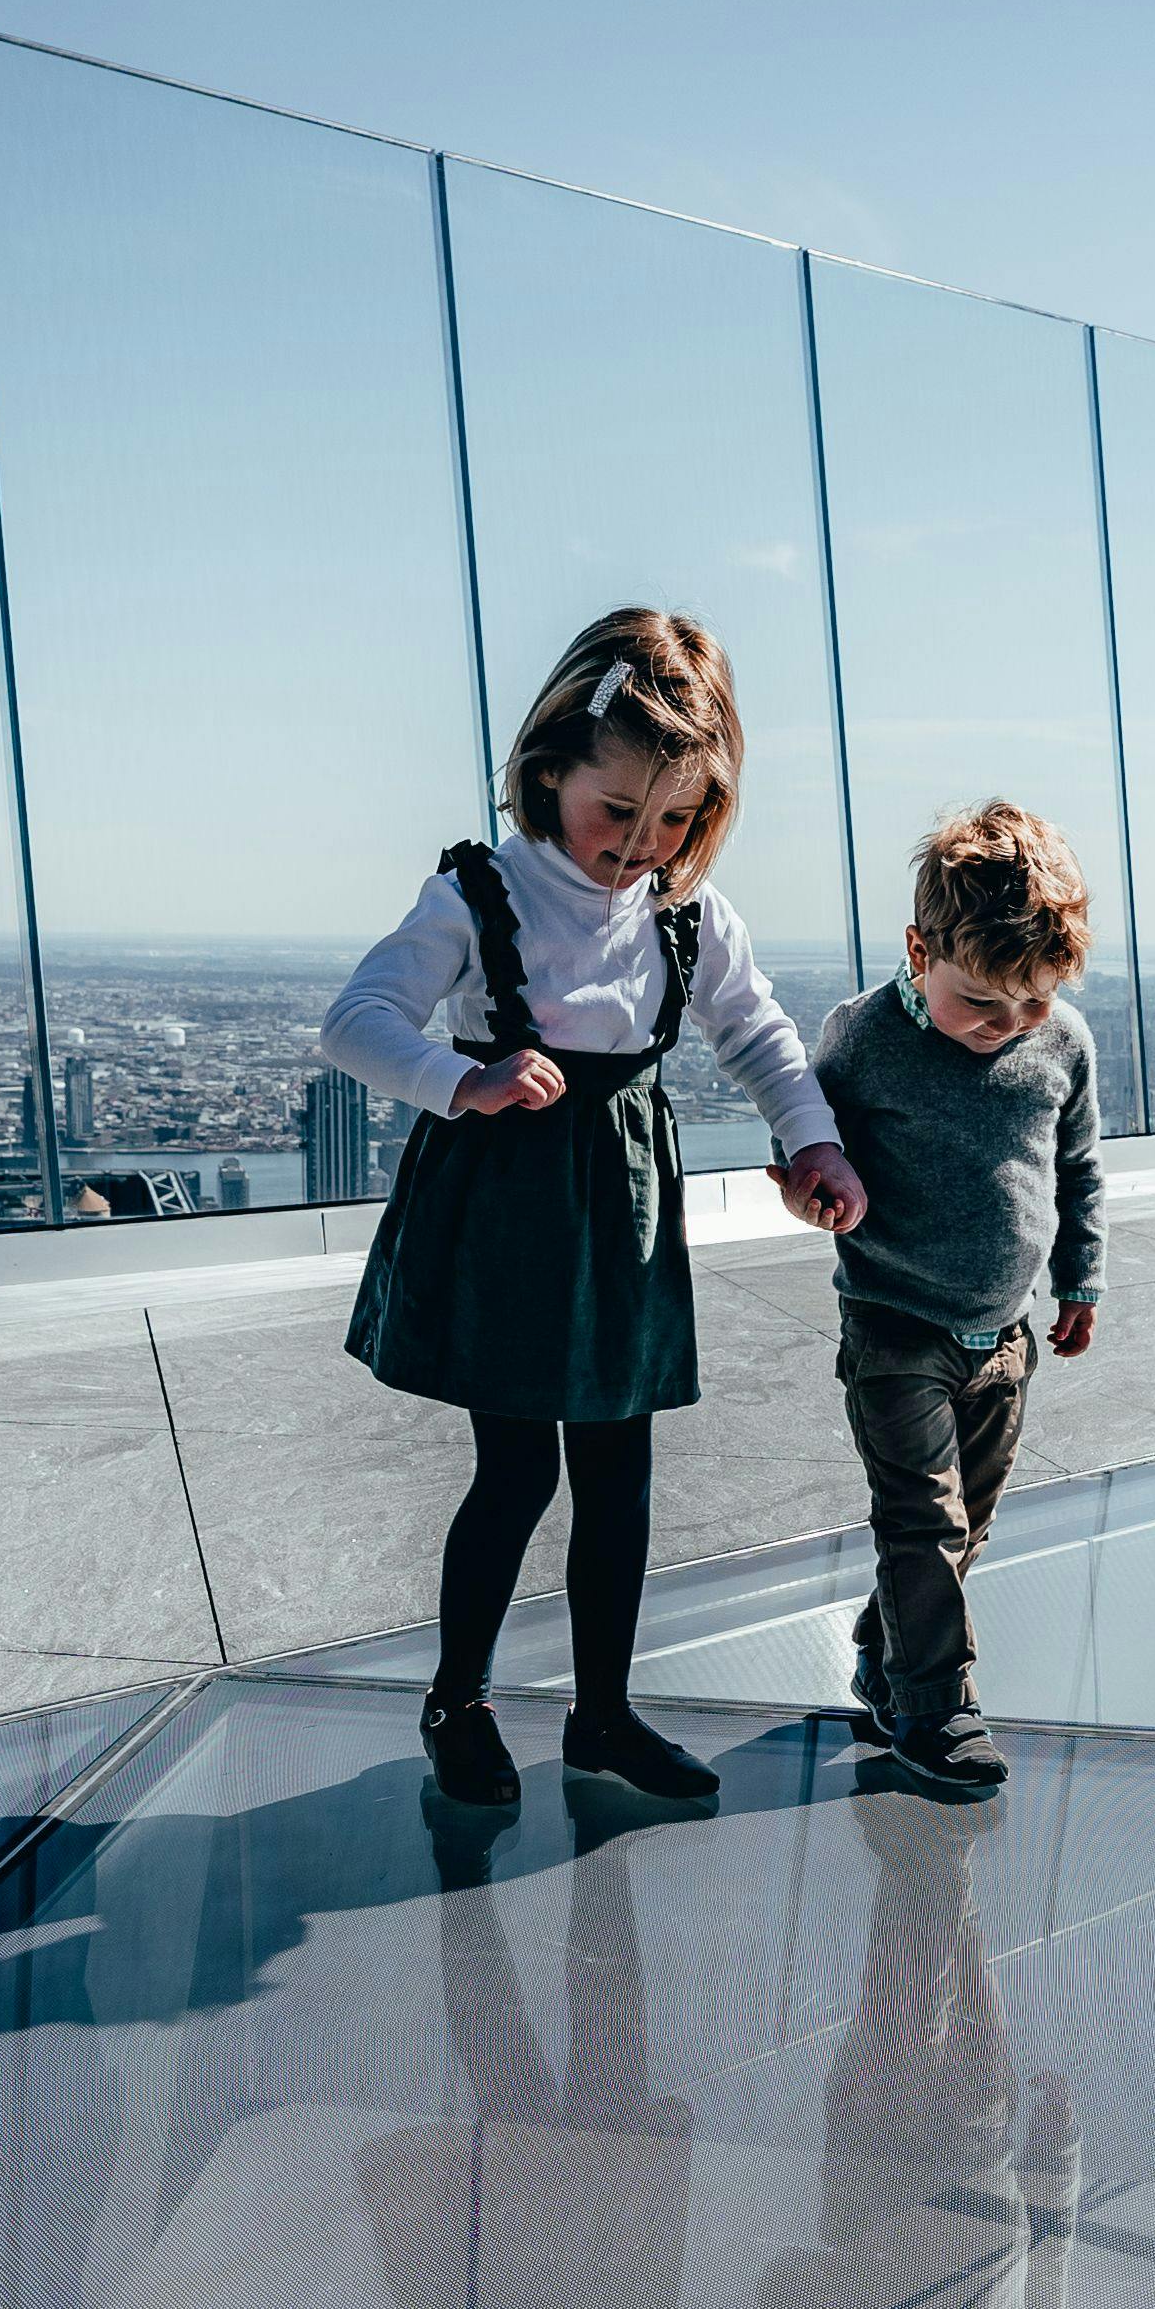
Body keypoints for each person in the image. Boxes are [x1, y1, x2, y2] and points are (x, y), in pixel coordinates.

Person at [325, 608, 868, 1810]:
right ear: (548, 768)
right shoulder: (480, 894)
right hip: (505, 1206)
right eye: (615, 809)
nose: (639, 843)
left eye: (674, 818)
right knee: (515, 1473)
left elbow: (758, 1036)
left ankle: (601, 1717)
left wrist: (811, 1142)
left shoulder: (684, 913)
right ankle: (455, 1702)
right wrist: (462, 1082)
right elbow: (355, 1021)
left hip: (619, 1211)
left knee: (619, 1475)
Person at [799, 799, 1105, 1799]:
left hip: (1004, 1334)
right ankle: (937, 1710)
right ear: (916, 948)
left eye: (1029, 1003)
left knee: (964, 1524)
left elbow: (1076, 1165)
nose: (1005, 1027)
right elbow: (806, 1135)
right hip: (893, 1326)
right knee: (919, 1522)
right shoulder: (863, 1038)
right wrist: (812, 1183)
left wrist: (1079, 1276)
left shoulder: (1060, 1041)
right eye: (979, 1002)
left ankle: (881, 1648)